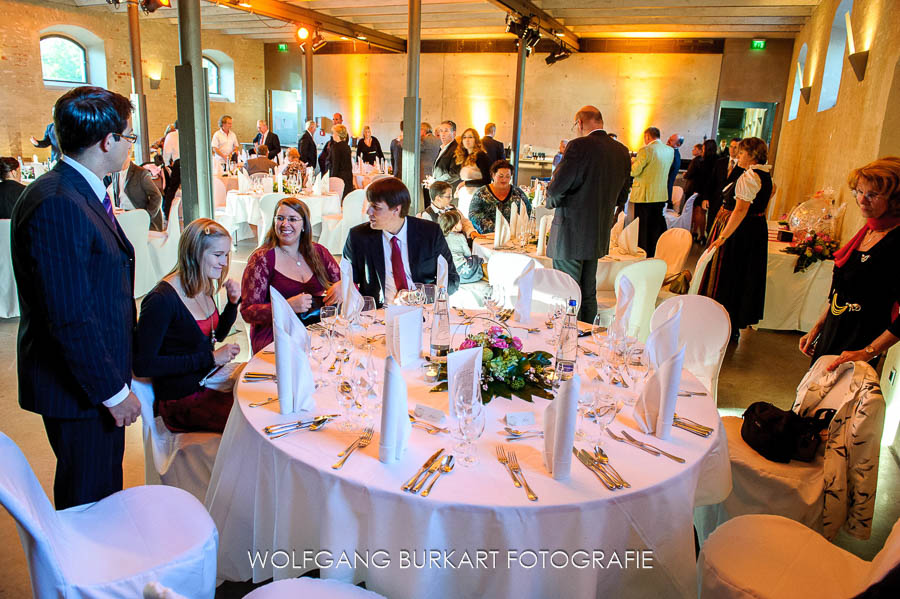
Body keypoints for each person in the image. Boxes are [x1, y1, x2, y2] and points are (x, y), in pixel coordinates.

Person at [11, 86, 141, 509]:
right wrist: (113, 393)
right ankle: (88, 573)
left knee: (101, 486)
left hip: (91, 376)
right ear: (108, 141)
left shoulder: (78, 190)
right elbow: (69, 314)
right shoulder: (59, 201)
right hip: (80, 386)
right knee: (89, 497)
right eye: (130, 137)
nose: (129, 147)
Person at [134, 219, 241, 433]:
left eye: (226, 255)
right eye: (218, 255)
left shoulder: (203, 284)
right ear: (194, 253)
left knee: (261, 397)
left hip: (206, 380)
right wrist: (210, 358)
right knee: (247, 422)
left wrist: (232, 304)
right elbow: (143, 365)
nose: (224, 262)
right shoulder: (161, 300)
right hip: (180, 399)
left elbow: (215, 336)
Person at [800, 157, 900, 370]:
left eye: (873, 195)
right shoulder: (868, 230)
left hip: (861, 342)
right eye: (860, 192)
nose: (862, 200)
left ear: (895, 200)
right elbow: (841, 289)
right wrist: (818, 327)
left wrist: (867, 352)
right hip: (834, 333)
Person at [546, 105, 630, 323]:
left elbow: (556, 189)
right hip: (599, 231)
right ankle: (587, 340)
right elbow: (622, 196)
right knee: (588, 292)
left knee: (569, 292)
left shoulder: (578, 146)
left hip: (571, 231)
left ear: (580, 123)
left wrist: (551, 202)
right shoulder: (621, 150)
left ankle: (569, 342)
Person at [241, 198, 340, 354]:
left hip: (316, 332)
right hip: (277, 337)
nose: (285, 224)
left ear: (304, 226)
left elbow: (347, 285)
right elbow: (247, 312)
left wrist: (341, 287)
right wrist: (286, 307)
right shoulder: (261, 259)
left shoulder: (318, 252)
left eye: (292, 219)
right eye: (280, 218)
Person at [343, 177, 458, 306]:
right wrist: (341, 285)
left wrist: (419, 295)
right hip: (379, 314)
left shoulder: (430, 233)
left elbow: (452, 280)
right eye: (369, 205)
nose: (368, 212)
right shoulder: (358, 237)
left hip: (421, 310)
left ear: (396, 209)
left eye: (376, 207)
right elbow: (348, 279)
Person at [700, 137, 772, 342]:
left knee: (729, 274)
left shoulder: (750, 177)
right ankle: (728, 321)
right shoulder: (764, 175)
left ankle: (724, 320)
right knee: (741, 275)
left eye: (741, 153)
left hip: (739, 232)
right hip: (752, 230)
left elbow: (740, 210)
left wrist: (722, 237)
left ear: (751, 155)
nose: (737, 156)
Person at [630, 126, 674, 257]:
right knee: (655, 226)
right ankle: (654, 252)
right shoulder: (670, 151)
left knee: (643, 227)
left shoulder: (646, 150)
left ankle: (643, 253)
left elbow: (634, 171)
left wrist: (632, 162)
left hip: (644, 195)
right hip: (660, 194)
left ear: (648, 136)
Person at [468, 159, 531, 234]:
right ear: (493, 175)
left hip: (513, 234)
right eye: (501, 176)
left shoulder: (517, 192)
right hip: (488, 236)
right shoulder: (481, 193)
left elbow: (528, 210)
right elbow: (473, 214)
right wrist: (493, 228)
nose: (504, 179)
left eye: (507, 176)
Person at [106, 157, 164, 231]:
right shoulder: (115, 173)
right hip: (123, 216)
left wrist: (147, 216)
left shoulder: (141, 173)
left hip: (138, 217)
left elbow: (157, 196)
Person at [707, 137, 744, 238]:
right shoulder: (721, 162)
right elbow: (712, 181)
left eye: (735, 147)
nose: (732, 149)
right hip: (715, 201)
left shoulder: (743, 166)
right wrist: (706, 198)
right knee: (711, 228)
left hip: (731, 205)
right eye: (731, 146)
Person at [437, 209, 484, 284]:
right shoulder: (460, 237)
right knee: (477, 259)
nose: (462, 223)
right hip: (462, 271)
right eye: (460, 222)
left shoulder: (440, 238)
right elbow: (468, 254)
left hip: (448, 272)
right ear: (454, 227)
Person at [329, 124, 353, 199]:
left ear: (337, 135)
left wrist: (332, 179)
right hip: (348, 177)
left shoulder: (335, 147)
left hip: (339, 177)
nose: (332, 135)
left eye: (333, 133)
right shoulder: (347, 146)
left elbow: (335, 165)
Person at [666, 133, 684, 207]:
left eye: (671, 140)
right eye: (669, 138)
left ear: (678, 144)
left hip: (665, 193)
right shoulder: (671, 153)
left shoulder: (674, 155)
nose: (668, 140)